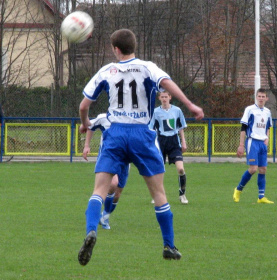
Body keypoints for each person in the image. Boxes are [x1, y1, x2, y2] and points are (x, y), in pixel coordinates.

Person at [77, 29, 204, 266]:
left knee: (99, 190)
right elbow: (167, 83)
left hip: (115, 134)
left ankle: (91, 230)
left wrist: (85, 124)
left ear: (115, 49)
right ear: (134, 46)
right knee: (158, 194)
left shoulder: (106, 71)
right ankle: (169, 244)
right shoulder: (147, 67)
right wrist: (189, 104)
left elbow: (84, 106)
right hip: (142, 135)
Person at [82, 113, 129, 230]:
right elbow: (90, 126)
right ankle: (94, 210)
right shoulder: (104, 118)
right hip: (108, 158)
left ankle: (104, 216)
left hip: (125, 161)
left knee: (117, 193)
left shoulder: (132, 118)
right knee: (113, 184)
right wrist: (86, 145)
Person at [233, 88, 274, 204]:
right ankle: (238, 189)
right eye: (259, 96)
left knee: (263, 169)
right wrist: (241, 145)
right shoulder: (250, 110)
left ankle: (261, 197)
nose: (261, 98)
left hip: (262, 143)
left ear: (266, 98)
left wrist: (267, 138)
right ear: (256, 97)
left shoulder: (267, 112)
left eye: (263, 96)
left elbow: (268, 127)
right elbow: (243, 128)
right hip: (252, 141)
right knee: (253, 169)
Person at [149, 91, 189, 204]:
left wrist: (184, 142)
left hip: (174, 142)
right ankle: (157, 195)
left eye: (166, 97)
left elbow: (181, 128)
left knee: (181, 169)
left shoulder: (177, 111)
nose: (164, 99)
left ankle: (182, 195)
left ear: (170, 97)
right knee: (158, 171)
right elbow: (151, 128)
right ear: (159, 98)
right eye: (162, 97)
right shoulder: (156, 112)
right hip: (161, 142)